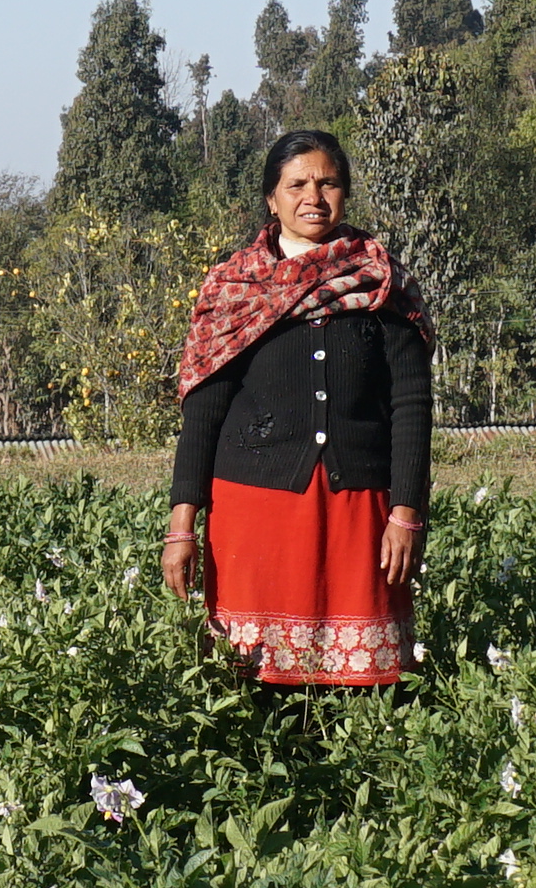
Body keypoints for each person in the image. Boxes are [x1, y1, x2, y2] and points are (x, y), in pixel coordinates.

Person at [155, 129, 428, 689]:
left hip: (361, 511)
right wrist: (182, 525)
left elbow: (411, 406)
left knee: (366, 690)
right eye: (297, 184)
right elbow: (203, 414)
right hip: (253, 509)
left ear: (346, 193)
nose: (314, 197)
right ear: (271, 198)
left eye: (328, 183)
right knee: (252, 684)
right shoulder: (235, 288)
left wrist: (405, 512)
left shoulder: (381, 282)